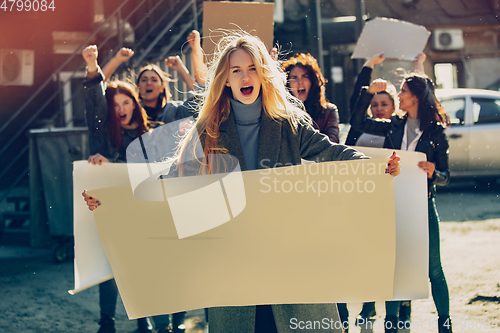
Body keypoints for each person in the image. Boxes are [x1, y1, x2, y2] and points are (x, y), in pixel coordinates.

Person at [84, 31, 401, 333]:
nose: (245, 76)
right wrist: (114, 201)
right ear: (225, 79)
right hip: (233, 265)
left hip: (288, 258)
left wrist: (378, 169)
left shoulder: (289, 124)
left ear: (264, 73)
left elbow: (331, 153)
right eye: (236, 70)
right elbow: (172, 177)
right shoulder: (208, 128)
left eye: (252, 68)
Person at [350, 72, 452, 333]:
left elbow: (446, 176)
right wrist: (369, 92)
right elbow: (357, 121)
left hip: (424, 204)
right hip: (394, 203)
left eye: (404, 91)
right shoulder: (392, 125)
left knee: (434, 269)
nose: (400, 95)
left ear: (415, 96)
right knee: (395, 266)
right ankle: (391, 326)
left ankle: (445, 325)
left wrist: (434, 172)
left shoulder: (436, 131)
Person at [82, 45, 154, 333]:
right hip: (108, 209)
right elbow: (93, 100)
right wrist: (92, 65)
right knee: (110, 269)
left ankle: (143, 319)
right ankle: (107, 323)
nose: (121, 109)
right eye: (115, 104)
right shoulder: (102, 134)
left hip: (140, 210)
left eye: (126, 102)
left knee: (139, 268)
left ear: (135, 104)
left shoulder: (147, 135)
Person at [282, 53, 340, 143]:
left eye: (305, 77)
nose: (300, 82)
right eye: (294, 78)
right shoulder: (282, 114)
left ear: (313, 81)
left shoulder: (329, 111)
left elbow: (333, 143)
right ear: (286, 83)